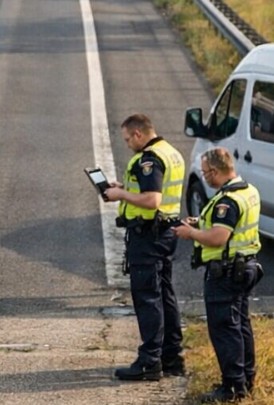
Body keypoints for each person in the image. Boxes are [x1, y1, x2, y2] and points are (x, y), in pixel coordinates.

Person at [174, 148, 263, 403]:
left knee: (225, 329)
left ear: (215, 171)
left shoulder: (227, 201)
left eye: (205, 173)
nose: (204, 178)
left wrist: (191, 234)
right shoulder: (248, 190)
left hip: (225, 273)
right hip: (244, 267)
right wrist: (200, 222)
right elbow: (230, 228)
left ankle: (232, 388)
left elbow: (218, 237)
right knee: (240, 325)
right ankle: (245, 379)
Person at [102, 113, 187, 382]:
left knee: (148, 297)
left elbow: (152, 199)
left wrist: (120, 195)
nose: (127, 144)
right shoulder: (169, 151)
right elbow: (155, 190)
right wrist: (125, 186)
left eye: (128, 139)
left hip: (149, 236)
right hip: (165, 233)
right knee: (165, 295)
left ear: (138, 134)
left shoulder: (149, 159)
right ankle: (171, 357)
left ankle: (149, 361)